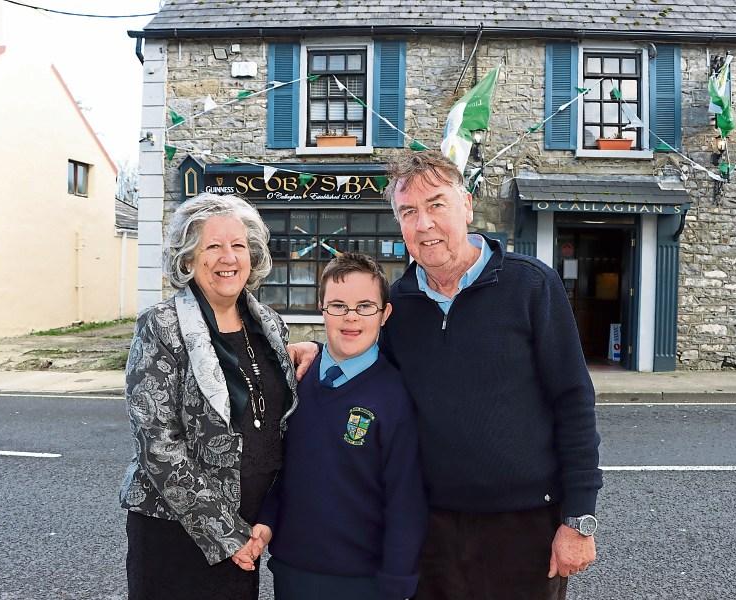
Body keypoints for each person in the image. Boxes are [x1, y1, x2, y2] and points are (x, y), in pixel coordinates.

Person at [291, 150, 602, 600]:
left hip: (525, 526)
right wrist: (319, 353)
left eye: (436, 204)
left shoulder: (531, 286)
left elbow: (573, 401)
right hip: (430, 528)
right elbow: (367, 365)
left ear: (467, 205)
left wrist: (578, 520)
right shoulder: (398, 303)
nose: (424, 224)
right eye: (408, 212)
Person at [119, 193, 299, 600]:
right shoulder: (161, 326)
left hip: (249, 525)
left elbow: (277, 418)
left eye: (237, 245)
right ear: (187, 260)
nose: (228, 257)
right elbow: (158, 444)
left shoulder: (269, 324)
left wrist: (260, 521)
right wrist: (226, 533)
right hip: (175, 530)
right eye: (213, 246)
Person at [255, 252, 427, 600]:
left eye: (365, 306)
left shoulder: (395, 397)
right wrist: (266, 521)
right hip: (293, 569)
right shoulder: (295, 381)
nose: (351, 317)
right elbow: (281, 469)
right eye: (338, 305)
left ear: (384, 314)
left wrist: (398, 580)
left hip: (362, 580)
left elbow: (405, 501)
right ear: (322, 308)